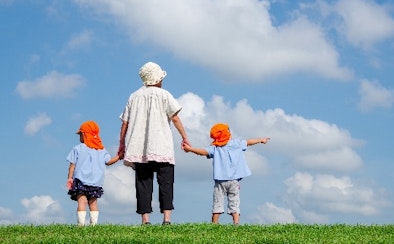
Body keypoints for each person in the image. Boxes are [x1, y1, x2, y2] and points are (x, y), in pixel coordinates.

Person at [118, 61, 190, 225]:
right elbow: (175, 117)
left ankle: (145, 220)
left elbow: (125, 123)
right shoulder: (164, 95)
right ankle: (167, 219)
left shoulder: (134, 96)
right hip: (161, 145)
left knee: (143, 184)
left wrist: (122, 144)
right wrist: (184, 137)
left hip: (139, 146)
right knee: (166, 182)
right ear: (157, 79)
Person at [182, 123, 270, 225]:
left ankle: (214, 223)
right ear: (228, 133)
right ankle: (236, 223)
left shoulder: (215, 148)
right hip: (234, 181)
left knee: (217, 202)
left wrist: (190, 149)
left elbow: (202, 152)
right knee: (234, 201)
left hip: (220, 181)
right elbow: (249, 142)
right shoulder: (236, 144)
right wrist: (261, 140)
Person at [66, 120, 119, 226]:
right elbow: (108, 162)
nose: (80, 137)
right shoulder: (101, 150)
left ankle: (81, 225)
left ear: (84, 134)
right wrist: (119, 156)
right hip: (96, 182)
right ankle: (93, 226)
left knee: (82, 201)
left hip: (80, 180)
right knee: (93, 203)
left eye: (80, 134)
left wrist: (70, 178)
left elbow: (72, 165)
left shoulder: (78, 148)